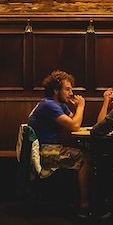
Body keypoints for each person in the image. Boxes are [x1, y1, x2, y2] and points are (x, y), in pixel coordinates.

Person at [26, 70, 90, 214]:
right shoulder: (48, 105)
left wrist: (75, 108)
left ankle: (81, 199)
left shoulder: (58, 104)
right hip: (45, 151)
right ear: (56, 90)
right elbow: (74, 126)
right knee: (85, 157)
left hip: (51, 148)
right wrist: (81, 106)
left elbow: (73, 120)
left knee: (84, 153)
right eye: (67, 89)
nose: (71, 93)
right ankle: (85, 204)